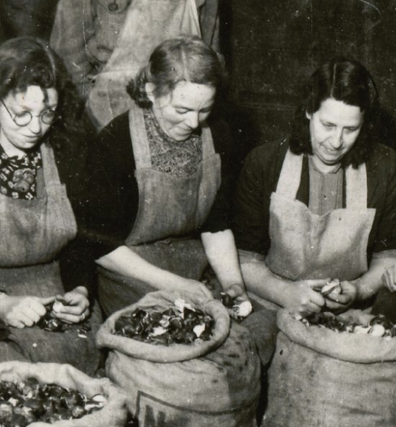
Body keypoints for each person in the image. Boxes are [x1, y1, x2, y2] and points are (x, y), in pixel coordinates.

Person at [232, 57, 396, 363]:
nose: (336, 142)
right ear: (308, 111)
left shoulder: (385, 169)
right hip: (271, 302)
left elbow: (388, 259)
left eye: (351, 129)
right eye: (328, 125)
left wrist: (357, 290)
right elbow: (244, 260)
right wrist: (284, 293)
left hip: (348, 313)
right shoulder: (264, 163)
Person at [82, 35, 247, 316]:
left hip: (192, 263)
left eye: (204, 109)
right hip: (133, 272)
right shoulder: (117, 142)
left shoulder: (218, 134)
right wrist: (175, 285)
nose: (194, 123)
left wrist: (234, 284)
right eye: (181, 110)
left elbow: (216, 225)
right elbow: (100, 244)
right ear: (151, 91)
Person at [0, 37, 101, 374]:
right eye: (21, 114)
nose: (35, 127)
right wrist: (3, 305)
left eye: (47, 113)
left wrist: (80, 289)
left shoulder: (66, 151)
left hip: (51, 288)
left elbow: (79, 242)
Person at [50, 0, 221, 130]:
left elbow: (210, 45)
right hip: (109, 110)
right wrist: (88, 101)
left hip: (183, 115)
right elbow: (67, 50)